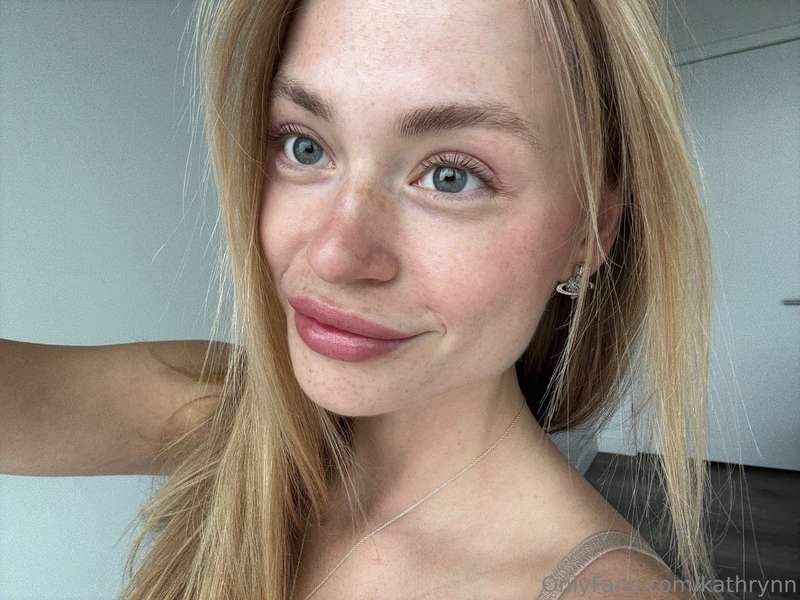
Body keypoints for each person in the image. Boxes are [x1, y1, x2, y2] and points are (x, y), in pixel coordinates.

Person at [0, 1, 722, 598]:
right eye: (305, 146)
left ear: (591, 231)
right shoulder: (231, 423)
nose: (334, 255)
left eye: (451, 176)